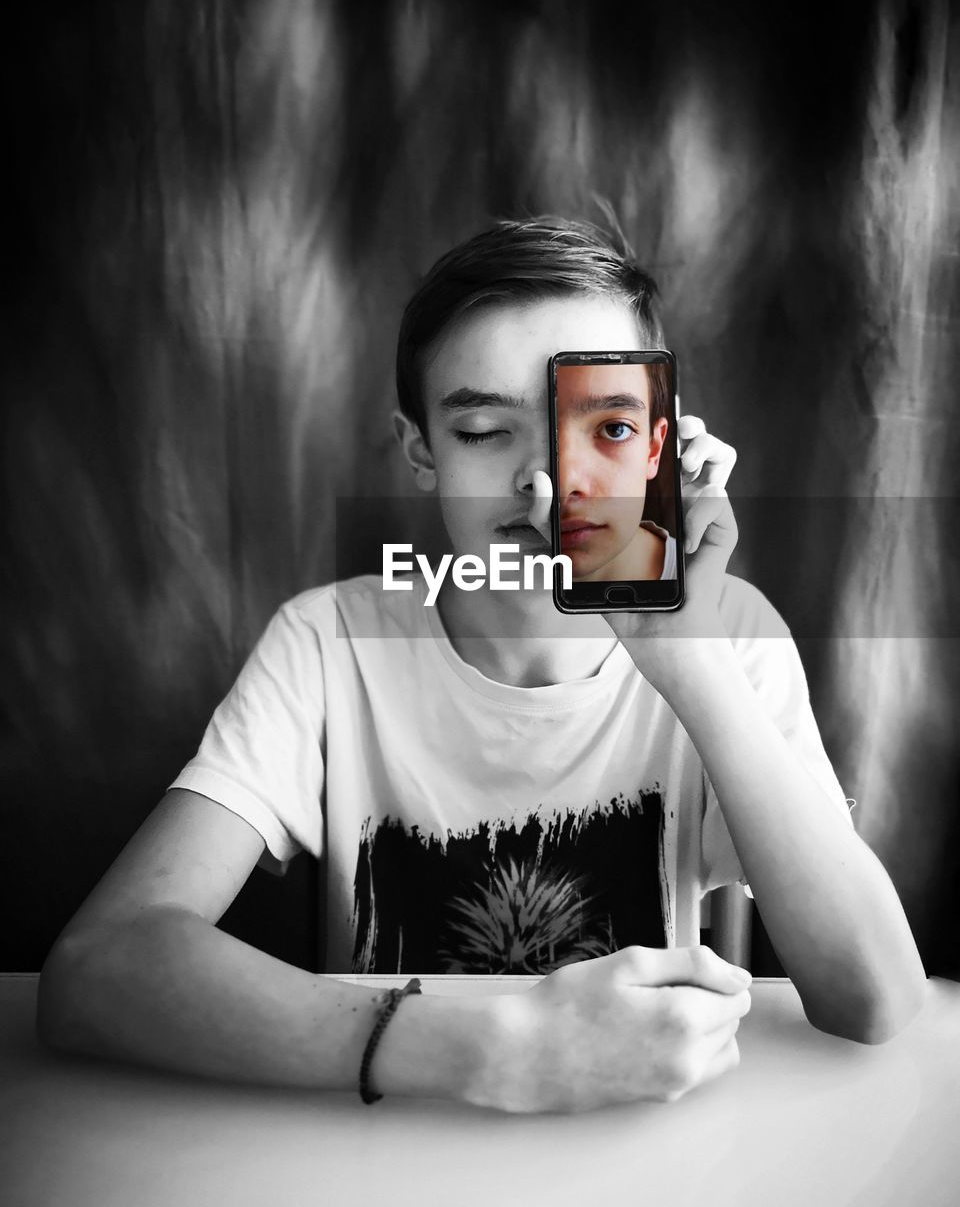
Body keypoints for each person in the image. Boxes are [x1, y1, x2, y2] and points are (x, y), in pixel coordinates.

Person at [37, 217, 926, 1115]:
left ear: (658, 449)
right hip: (394, 1147)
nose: (548, 482)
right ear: (421, 449)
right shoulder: (327, 640)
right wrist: (492, 1050)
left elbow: (878, 1001)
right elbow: (96, 969)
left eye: (608, 425)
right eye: (483, 433)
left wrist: (686, 659)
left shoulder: (734, 638)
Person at [555, 358, 677, 580]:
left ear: (653, 451)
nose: (565, 484)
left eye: (615, 429)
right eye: (486, 431)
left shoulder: (733, 609)